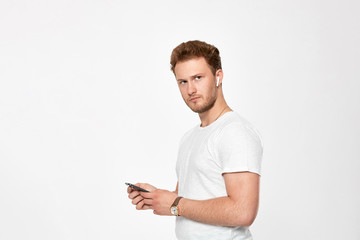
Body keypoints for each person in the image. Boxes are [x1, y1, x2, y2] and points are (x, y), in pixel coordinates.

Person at [127, 40, 263, 240]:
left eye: (198, 78)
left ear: (218, 76)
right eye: (183, 82)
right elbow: (190, 198)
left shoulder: (235, 132)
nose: (190, 89)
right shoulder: (189, 138)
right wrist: (157, 198)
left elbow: (242, 212)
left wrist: (175, 204)